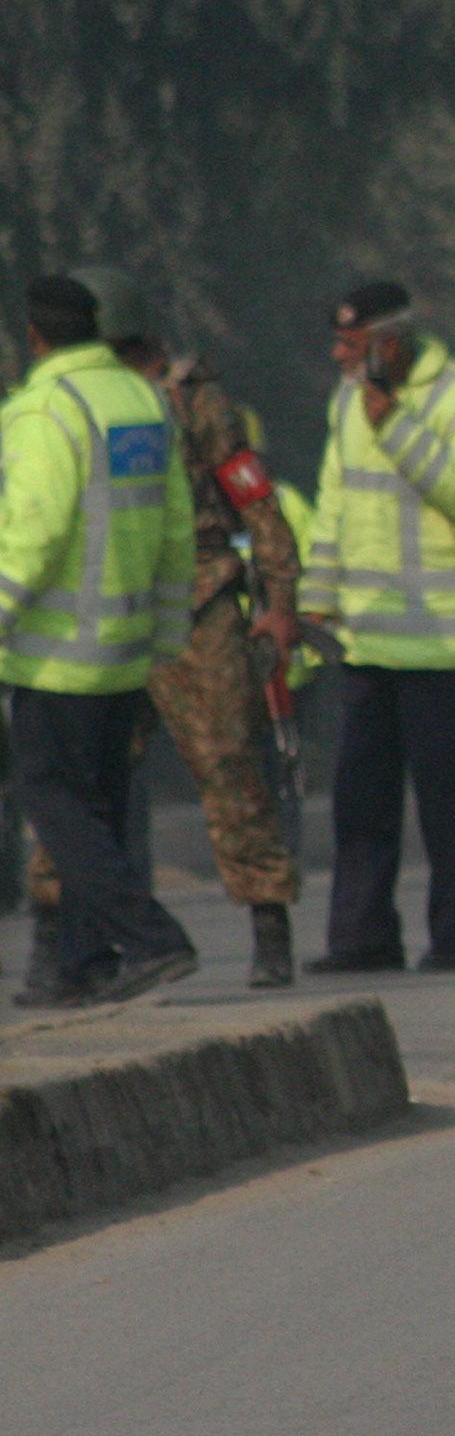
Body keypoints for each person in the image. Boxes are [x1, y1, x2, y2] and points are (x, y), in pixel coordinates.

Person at [14, 269, 303, 995]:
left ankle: (267, 923)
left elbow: (252, 497)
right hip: (130, 602)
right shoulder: (115, 398)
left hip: (193, 595)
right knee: (82, 795)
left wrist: (281, 600)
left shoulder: (190, 400)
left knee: (228, 763)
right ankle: (63, 946)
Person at [0, 276, 199, 1006]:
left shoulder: (45, 410)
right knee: (101, 809)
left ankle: (152, 939)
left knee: (55, 806)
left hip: (57, 654)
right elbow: (178, 528)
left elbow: (33, 536)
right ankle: (83, 963)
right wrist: (170, 631)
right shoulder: (141, 400)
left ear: (34, 336)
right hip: (125, 648)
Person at [299, 281, 455, 972]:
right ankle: (362, 937)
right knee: (360, 802)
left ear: (392, 341)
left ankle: (452, 939)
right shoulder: (346, 403)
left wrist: (397, 426)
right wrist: (315, 599)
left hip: (444, 647)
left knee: (445, 805)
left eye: (351, 343)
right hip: (368, 641)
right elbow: (333, 507)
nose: (340, 356)